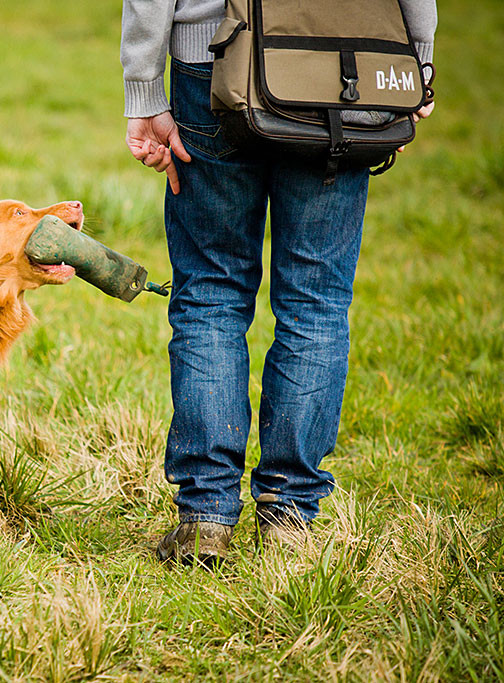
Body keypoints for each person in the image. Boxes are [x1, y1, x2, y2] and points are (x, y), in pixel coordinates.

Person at [121, 0, 437, 565]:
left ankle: (206, 517)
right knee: (316, 300)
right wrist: (417, 66)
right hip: (345, 62)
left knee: (210, 291)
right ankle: (289, 516)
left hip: (213, 55)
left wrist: (144, 88)